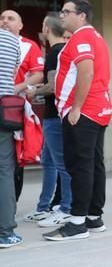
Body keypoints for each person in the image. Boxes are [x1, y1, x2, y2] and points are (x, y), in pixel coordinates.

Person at [43, 0, 112, 241]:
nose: (61, 16)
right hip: (97, 109)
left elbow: (87, 71)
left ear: (81, 15)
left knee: (79, 165)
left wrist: (76, 108)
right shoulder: (96, 37)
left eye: (66, 11)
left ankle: (77, 223)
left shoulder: (82, 37)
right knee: (94, 164)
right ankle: (93, 218)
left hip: (84, 112)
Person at [25, 14, 72, 227]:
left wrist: (34, 91)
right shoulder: (65, 50)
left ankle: (66, 208)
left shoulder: (55, 53)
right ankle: (44, 207)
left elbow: (53, 86)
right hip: (56, 115)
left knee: (60, 164)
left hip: (55, 116)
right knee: (49, 162)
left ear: (46, 28)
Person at [1, 9, 44, 202]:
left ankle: (11, 203)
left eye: (11, 19)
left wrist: (14, 88)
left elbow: (39, 74)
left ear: (20, 25)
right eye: (2, 18)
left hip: (13, 108)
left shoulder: (29, 45)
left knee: (13, 158)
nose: (5, 21)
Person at [0, 27, 21, 248]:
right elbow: (14, 72)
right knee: (4, 171)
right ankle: (5, 233)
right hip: (3, 109)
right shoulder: (10, 39)